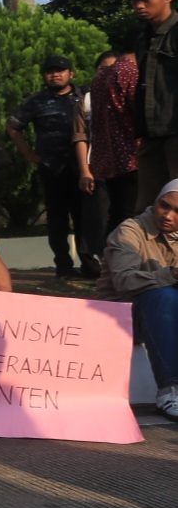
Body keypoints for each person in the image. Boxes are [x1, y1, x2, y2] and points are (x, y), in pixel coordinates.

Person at [97, 178, 178, 420]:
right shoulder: (129, 231)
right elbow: (124, 281)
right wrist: (172, 273)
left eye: (177, 211)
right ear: (155, 202)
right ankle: (170, 390)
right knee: (162, 295)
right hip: (117, 317)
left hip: (163, 317)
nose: (168, 215)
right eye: (164, 205)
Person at [8, 55, 92, 279]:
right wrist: (29, 154)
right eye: (50, 71)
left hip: (83, 167)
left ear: (71, 74)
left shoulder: (85, 96)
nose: (55, 74)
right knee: (57, 220)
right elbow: (13, 127)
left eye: (60, 70)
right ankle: (63, 266)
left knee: (85, 217)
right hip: (52, 169)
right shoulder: (36, 101)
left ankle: (89, 264)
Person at [78, 50, 139, 261]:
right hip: (133, 156)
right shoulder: (130, 71)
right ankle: (123, 267)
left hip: (109, 160)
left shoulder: (99, 80)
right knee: (132, 215)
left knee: (118, 214)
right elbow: (140, 111)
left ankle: (111, 266)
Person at [127, 0, 178, 208]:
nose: (139, 5)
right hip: (150, 136)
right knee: (148, 211)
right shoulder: (141, 37)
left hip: (175, 133)